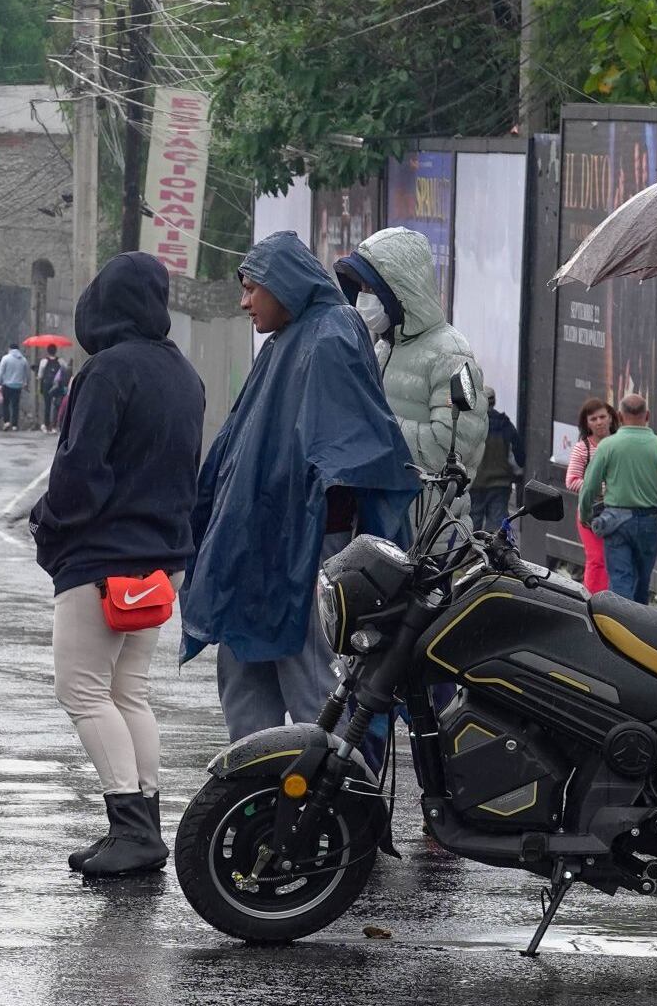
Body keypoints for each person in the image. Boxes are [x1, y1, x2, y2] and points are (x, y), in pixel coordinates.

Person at [181, 232, 417, 742]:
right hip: (258, 545)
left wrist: (308, 523)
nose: (244, 302)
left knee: (314, 689)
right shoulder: (286, 341)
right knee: (245, 685)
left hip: (307, 547)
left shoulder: (331, 335)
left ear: (282, 285)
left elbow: (352, 448)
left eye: (251, 289)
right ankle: (253, 801)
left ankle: (333, 805)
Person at [30, 252, 203, 879]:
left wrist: (49, 526)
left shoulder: (105, 372)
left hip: (102, 560)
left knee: (80, 689)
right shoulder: (183, 373)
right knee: (129, 690)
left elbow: (79, 474)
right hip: (162, 559)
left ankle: (130, 827)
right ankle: (141, 827)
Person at [333, 227, 486, 537]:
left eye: (371, 288)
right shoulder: (382, 348)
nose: (363, 297)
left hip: (432, 536)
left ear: (399, 289)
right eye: (359, 287)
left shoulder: (452, 353)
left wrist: (377, 425)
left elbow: (451, 450)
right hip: (380, 528)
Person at [577, 394, 657, 603]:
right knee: (642, 582)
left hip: (616, 522)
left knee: (620, 580)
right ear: (648, 416)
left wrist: (585, 513)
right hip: (649, 522)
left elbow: (590, 485)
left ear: (619, 416)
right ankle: (639, 627)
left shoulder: (608, 446)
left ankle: (619, 628)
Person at [565, 397, 619, 594]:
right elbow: (571, 480)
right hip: (592, 514)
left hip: (619, 511)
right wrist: (600, 488)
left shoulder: (620, 443)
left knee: (616, 558)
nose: (599, 422)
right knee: (597, 559)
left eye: (602, 417)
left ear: (611, 418)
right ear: (586, 423)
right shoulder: (583, 448)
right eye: (593, 419)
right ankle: (594, 600)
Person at [470, 387, 525, 536]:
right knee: (497, 527)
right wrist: (519, 473)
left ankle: (473, 556)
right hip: (499, 484)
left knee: (473, 525)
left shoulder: (471, 425)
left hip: (475, 483)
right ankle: (493, 556)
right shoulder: (504, 424)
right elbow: (519, 453)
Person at [0, 344, 29, 431]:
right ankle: (14, 425)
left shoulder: (6, 358)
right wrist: (25, 383)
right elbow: (26, 373)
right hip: (18, 386)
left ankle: (6, 422)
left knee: (6, 404)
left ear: (9, 349)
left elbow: (0, 371)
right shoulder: (23, 360)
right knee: (15, 405)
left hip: (7, 385)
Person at [37, 345, 67, 433]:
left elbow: (40, 375)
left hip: (47, 386)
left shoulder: (44, 361)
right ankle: (54, 426)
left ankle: (46, 425)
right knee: (56, 405)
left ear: (48, 351)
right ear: (55, 351)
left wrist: (39, 379)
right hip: (57, 385)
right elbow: (65, 370)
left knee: (47, 405)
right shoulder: (61, 361)